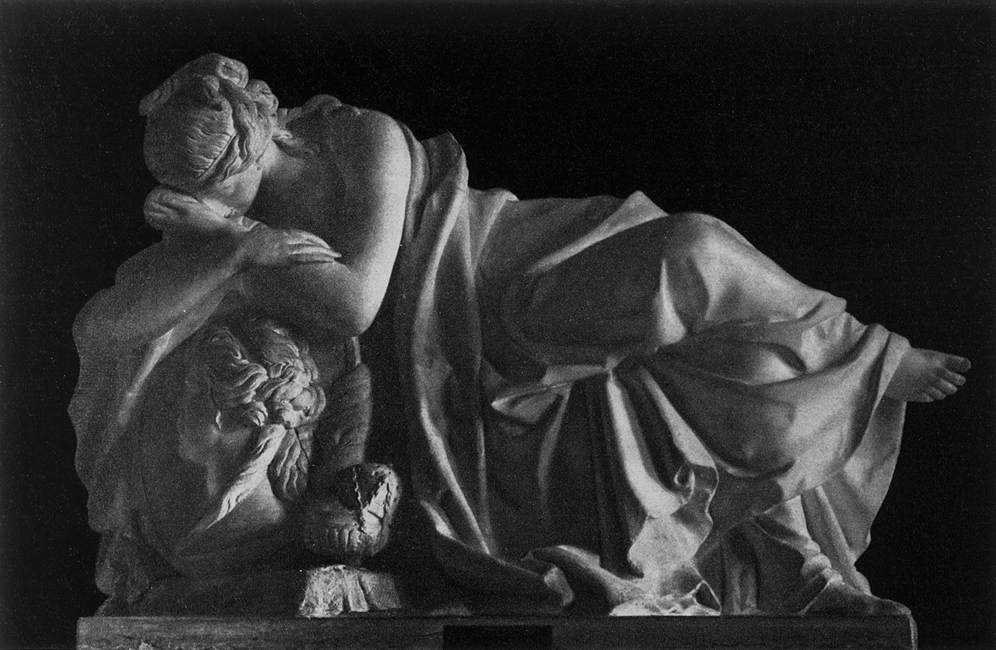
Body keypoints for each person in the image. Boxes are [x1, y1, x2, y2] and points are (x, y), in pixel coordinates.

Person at [72, 54, 969, 616]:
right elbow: (107, 327)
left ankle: (864, 351)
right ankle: (798, 570)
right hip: (443, 367)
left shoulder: (360, 142)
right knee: (665, 386)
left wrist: (239, 242)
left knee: (689, 253)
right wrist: (233, 246)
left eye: (227, 183)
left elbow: (355, 301)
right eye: (206, 196)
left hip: (493, 278)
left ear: (257, 135)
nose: (202, 203)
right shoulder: (220, 232)